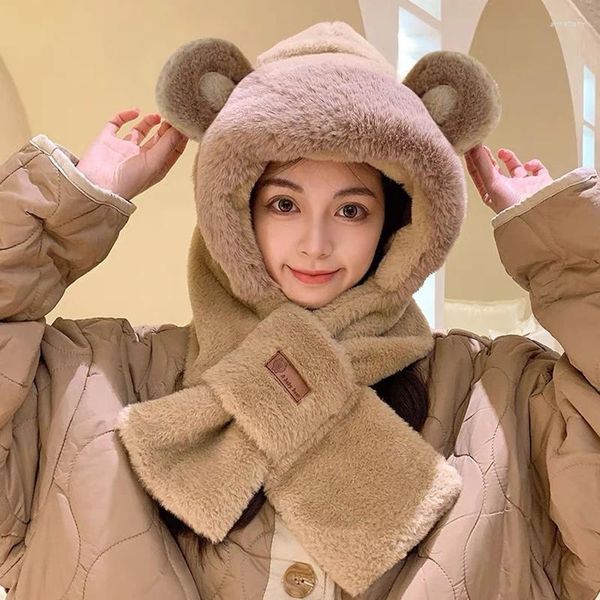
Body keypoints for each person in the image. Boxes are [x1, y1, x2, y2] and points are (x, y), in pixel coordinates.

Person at [0, 20, 598, 600]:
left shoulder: (497, 399)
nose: (315, 243)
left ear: (399, 223)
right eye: (284, 203)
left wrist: (568, 250)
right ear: (235, 210)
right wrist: (69, 207)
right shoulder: (95, 380)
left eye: (351, 210)